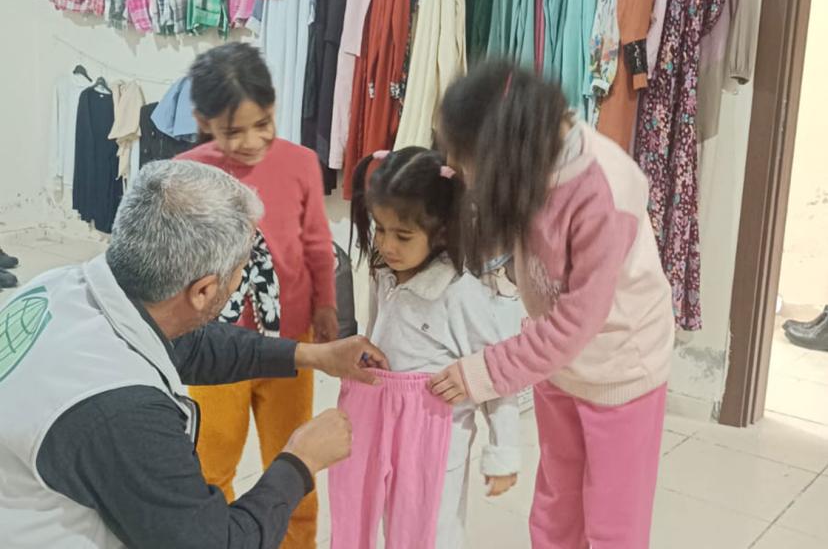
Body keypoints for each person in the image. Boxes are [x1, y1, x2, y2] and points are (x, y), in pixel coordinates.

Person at [0, 160, 387, 548]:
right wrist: (300, 461)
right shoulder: (123, 411)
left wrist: (312, 355)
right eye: (242, 269)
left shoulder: (62, 287)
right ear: (203, 290)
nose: (243, 278)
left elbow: (189, 343)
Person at [430, 62, 676, 548]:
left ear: (501, 149)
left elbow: (576, 323)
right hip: (557, 364)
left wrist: (484, 372)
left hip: (621, 374)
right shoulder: (530, 162)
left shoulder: (603, 190)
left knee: (612, 526)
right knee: (555, 512)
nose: (461, 172)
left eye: (466, 161)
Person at [176, 42, 338, 547]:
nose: (251, 141)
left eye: (263, 123)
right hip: (214, 347)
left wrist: (326, 304)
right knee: (211, 465)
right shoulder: (187, 172)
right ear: (204, 121)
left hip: (291, 342)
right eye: (234, 131)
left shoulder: (301, 162)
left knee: (295, 458)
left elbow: (317, 241)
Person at [328, 147, 523, 548]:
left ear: (442, 231)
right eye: (380, 229)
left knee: (429, 529)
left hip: (433, 428)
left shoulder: (460, 293)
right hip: (375, 411)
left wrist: (503, 452)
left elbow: (498, 375)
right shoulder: (384, 272)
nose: (387, 245)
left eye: (402, 236)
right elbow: (379, 328)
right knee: (355, 511)